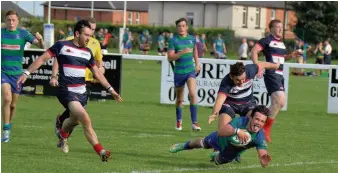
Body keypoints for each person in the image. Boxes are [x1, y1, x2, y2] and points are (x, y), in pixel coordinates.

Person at [17, 20, 122, 162]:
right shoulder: (62, 45)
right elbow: (42, 59)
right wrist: (26, 73)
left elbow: (97, 73)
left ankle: (62, 133)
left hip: (82, 92)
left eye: (90, 35)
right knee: (85, 118)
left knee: (75, 120)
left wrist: (111, 90)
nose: (89, 38)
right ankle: (101, 151)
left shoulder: (88, 52)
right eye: (86, 35)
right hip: (67, 91)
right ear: (77, 33)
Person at [207, 61, 279, 162]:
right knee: (224, 128)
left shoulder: (250, 70)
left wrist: (275, 65)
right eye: (238, 80)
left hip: (248, 103)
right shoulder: (226, 82)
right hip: (230, 104)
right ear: (232, 76)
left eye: (243, 79)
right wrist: (215, 113)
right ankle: (218, 150)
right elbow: (220, 99)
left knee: (254, 123)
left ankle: (238, 152)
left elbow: (262, 64)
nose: (241, 83)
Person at [49, 17, 105, 140]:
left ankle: (61, 124)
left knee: (77, 116)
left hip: (86, 83)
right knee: (78, 114)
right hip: (69, 83)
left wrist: (100, 71)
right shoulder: (70, 41)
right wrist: (54, 76)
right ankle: (64, 136)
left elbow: (100, 64)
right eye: (90, 28)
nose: (92, 32)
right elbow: (58, 60)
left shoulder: (95, 43)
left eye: (94, 30)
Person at [169, 105, 272, 168]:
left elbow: (262, 153)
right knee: (202, 143)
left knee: (217, 162)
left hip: (230, 154)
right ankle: (183, 146)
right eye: (257, 119)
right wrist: (237, 131)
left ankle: (217, 155)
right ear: (251, 118)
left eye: (262, 121)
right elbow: (221, 132)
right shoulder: (240, 122)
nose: (259, 123)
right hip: (220, 139)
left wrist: (264, 161)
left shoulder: (259, 136)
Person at [251, 19, 300, 143]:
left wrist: (290, 56)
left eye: (280, 27)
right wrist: (258, 66)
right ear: (271, 29)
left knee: (280, 103)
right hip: (271, 74)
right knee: (279, 98)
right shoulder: (267, 40)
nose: (280, 29)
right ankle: (264, 128)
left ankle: (256, 121)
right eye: (277, 27)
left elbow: (281, 59)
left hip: (280, 75)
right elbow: (254, 51)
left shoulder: (281, 43)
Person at [1, 10, 45, 142]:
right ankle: (6, 130)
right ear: (5, 20)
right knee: (7, 99)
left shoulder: (23, 33)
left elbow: (41, 48)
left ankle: (8, 123)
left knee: (13, 105)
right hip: (3, 72)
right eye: (8, 20)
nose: (11, 23)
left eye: (13, 20)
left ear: (17, 21)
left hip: (17, 75)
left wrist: (41, 39)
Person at [167, 18, 201, 131]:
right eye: (179, 26)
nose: (181, 28)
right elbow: (170, 57)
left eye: (183, 26)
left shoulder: (192, 39)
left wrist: (197, 64)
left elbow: (195, 50)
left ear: (187, 27)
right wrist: (181, 52)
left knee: (192, 94)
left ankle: (194, 123)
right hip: (179, 73)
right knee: (180, 100)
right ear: (177, 28)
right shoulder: (173, 40)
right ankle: (179, 121)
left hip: (190, 71)